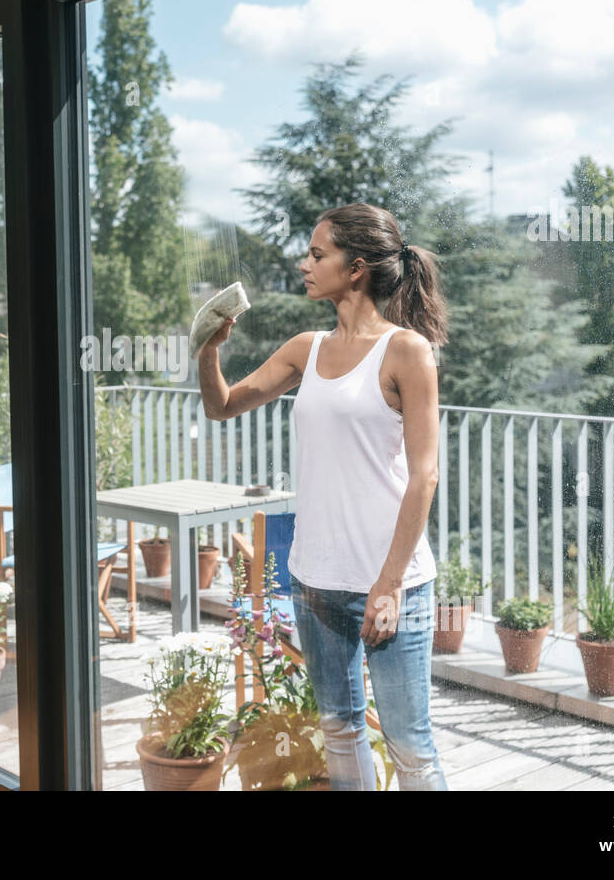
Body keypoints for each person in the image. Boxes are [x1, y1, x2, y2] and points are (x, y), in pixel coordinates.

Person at [198, 202, 450, 790]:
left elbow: (424, 476)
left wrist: (387, 587)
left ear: (356, 267)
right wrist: (209, 348)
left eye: (317, 255)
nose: (305, 264)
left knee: (411, 748)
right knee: (339, 732)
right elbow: (222, 405)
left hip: (392, 586)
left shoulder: (407, 352)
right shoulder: (305, 348)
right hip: (314, 583)